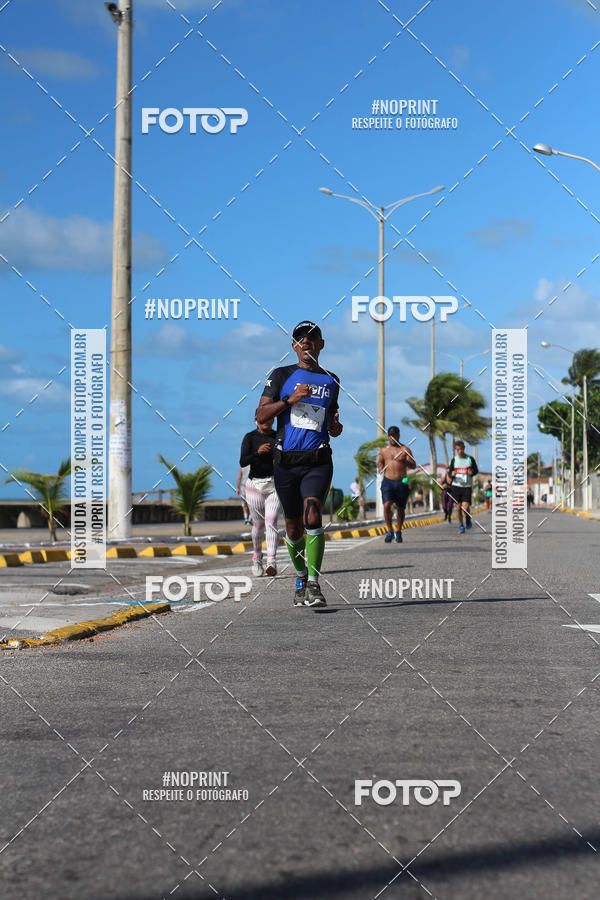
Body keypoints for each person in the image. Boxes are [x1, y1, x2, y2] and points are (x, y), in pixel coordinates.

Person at [256, 320, 342, 607]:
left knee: (313, 513)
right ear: (294, 346)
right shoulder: (281, 375)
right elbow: (261, 416)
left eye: (311, 337)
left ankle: (315, 584)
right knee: (293, 529)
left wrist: (334, 427)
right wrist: (289, 400)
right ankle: (301, 577)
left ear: (321, 344)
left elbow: (330, 418)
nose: (305, 341)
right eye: (299, 338)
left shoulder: (332, 380)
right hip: (286, 462)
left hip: (318, 460)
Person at [239, 417, 281, 577]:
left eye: (270, 418)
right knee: (258, 525)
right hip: (254, 485)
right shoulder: (250, 438)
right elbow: (243, 461)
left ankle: (272, 561)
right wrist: (258, 452)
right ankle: (257, 557)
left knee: (271, 521)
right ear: (256, 420)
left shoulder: (278, 436)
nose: (266, 421)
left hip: (274, 485)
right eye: (263, 419)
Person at [377, 426, 416, 543]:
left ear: (398, 436)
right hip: (388, 481)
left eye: (394, 435)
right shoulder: (383, 450)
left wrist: (404, 461)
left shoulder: (405, 449)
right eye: (390, 436)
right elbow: (380, 462)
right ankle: (389, 531)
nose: (392, 438)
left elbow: (413, 465)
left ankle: (398, 531)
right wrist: (380, 467)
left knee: (400, 508)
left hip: (401, 482)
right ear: (388, 437)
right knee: (387, 505)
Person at [447, 440, 479, 534]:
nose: (460, 451)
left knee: (465, 507)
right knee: (458, 508)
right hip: (456, 486)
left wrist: (472, 473)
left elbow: (476, 470)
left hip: (467, 486)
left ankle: (468, 518)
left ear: (464, 448)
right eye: (457, 449)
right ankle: (461, 525)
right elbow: (450, 472)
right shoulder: (454, 460)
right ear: (456, 450)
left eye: (461, 449)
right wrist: (451, 474)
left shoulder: (470, 459)